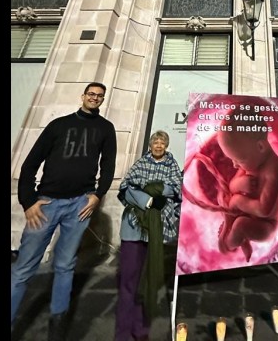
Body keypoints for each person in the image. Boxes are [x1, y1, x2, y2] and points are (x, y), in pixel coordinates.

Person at [11, 82, 118, 341]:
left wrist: (97, 195)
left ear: (103, 100)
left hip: (79, 205)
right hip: (46, 204)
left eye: (99, 96)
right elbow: (30, 164)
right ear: (83, 96)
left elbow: (109, 165)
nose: (95, 98)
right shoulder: (58, 125)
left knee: (65, 265)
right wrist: (28, 202)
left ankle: (57, 326)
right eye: (91, 94)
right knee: (23, 268)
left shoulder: (105, 128)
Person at [115, 130, 183, 341]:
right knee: (129, 280)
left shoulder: (172, 166)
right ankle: (123, 333)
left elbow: (177, 189)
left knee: (148, 281)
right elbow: (126, 189)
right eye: (156, 142)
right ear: (150, 145)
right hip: (134, 228)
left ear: (166, 146)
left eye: (162, 142)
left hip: (157, 230)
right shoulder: (140, 164)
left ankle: (141, 329)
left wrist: (157, 189)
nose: (159, 146)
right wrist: (149, 199)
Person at [215, 115, 278, 262]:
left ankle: (227, 245)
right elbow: (232, 186)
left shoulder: (273, 170)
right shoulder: (251, 160)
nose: (235, 165)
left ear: (260, 147)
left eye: (239, 160)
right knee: (223, 199)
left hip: (265, 226)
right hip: (246, 213)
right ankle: (241, 239)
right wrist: (240, 183)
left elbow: (264, 210)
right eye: (232, 159)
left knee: (241, 224)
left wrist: (238, 201)